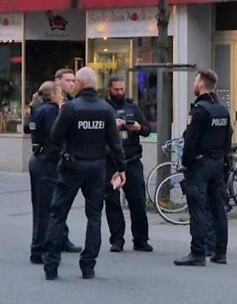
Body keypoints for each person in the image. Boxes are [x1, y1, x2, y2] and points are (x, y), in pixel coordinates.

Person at [43, 67, 126, 280]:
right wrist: (121, 168)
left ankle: (51, 265)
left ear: (80, 84)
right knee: (94, 216)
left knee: (58, 214)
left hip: (72, 166)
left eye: (75, 82)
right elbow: (115, 143)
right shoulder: (106, 109)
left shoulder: (70, 108)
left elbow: (54, 135)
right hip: (97, 167)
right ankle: (88, 265)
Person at [174, 69, 231, 267]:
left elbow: (190, 141)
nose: (194, 84)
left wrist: (186, 163)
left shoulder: (199, 110)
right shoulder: (222, 109)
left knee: (197, 208)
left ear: (201, 84)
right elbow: (228, 138)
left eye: (195, 81)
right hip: (217, 163)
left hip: (200, 165)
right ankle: (220, 253)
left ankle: (197, 253)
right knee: (218, 209)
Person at [104, 75, 153, 253]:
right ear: (108, 89)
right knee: (112, 202)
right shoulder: (104, 108)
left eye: (122, 89)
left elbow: (147, 130)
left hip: (132, 160)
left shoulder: (132, 107)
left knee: (137, 201)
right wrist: (111, 125)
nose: (119, 92)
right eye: (116, 89)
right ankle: (117, 240)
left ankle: (141, 239)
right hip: (110, 162)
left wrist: (138, 128)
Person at [25, 82, 64, 264]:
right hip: (47, 162)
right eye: (60, 93)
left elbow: (28, 128)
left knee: (39, 208)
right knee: (47, 209)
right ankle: (40, 249)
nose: (62, 96)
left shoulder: (37, 109)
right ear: (53, 94)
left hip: (37, 159)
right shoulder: (50, 111)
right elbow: (55, 137)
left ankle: (37, 248)